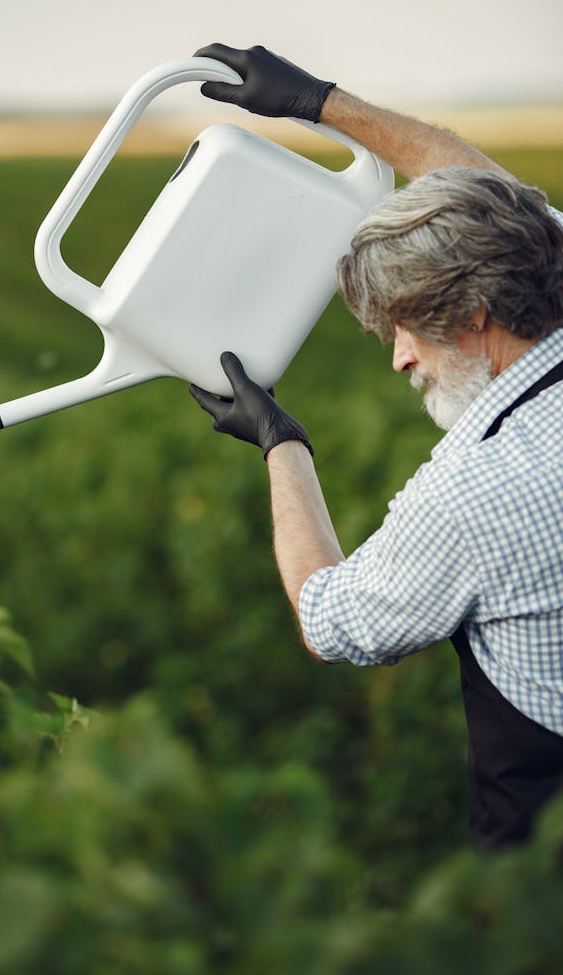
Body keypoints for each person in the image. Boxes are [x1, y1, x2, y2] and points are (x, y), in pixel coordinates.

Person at [189, 42, 563, 850]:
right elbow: (498, 199)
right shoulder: (540, 268)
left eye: (407, 326)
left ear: (475, 312)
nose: (399, 357)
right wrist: (318, 102)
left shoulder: (479, 492)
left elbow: (329, 620)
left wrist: (279, 444)